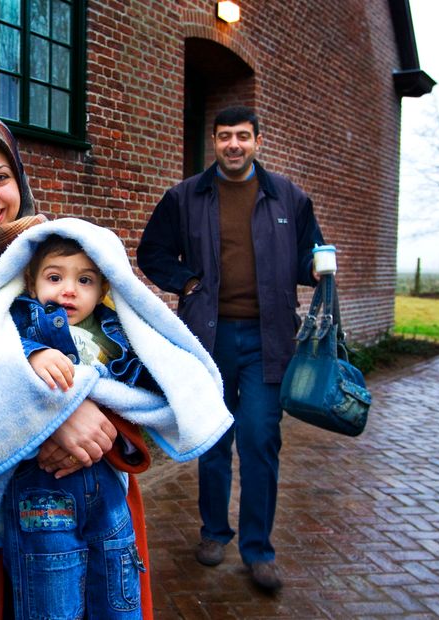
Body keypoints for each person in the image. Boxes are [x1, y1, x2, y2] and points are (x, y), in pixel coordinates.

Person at [0, 111, 157, 618]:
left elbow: (120, 355)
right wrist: (50, 416)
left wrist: (102, 419)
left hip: (85, 489)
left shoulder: (56, 258)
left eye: (0, 178)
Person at [0, 222, 232, 619]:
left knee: (117, 584)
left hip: (104, 480)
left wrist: (169, 385)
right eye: (55, 277)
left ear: (104, 289)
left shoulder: (113, 330)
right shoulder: (21, 319)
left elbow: (144, 376)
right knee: (52, 594)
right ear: (31, 284)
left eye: (84, 280)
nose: (68, 290)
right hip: (41, 488)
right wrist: (33, 355)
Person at [136, 105, 325, 591]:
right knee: (215, 438)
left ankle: (259, 551)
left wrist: (317, 268)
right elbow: (152, 253)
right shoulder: (185, 196)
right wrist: (190, 281)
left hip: (269, 340)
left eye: (243, 136)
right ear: (214, 142)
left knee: (261, 441)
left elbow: (309, 257)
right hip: (209, 338)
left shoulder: (289, 197)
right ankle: (214, 533)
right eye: (225, 136)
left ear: (258, 141)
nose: (234, 145)